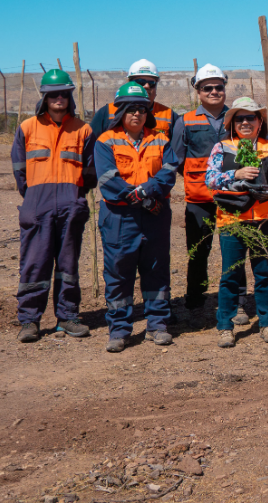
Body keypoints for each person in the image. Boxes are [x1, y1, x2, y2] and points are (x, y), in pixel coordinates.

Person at [10, 69, 97, 343]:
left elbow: (91, 173)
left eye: (64, 93)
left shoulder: (83, 129)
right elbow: (19, 170)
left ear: (70, 96)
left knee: (68, 264)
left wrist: (74, 195)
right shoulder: (27, 128)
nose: (59, 98)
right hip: (37, 205)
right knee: (35, 264)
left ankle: (68, 317)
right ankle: (29, 321)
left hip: (71, 205)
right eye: (53, 94)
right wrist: (35, 198)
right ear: (44, 98)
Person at [94, 83, 178, 352]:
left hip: (154, 214)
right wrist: (140, 195)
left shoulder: (161, 139)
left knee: (156, 270)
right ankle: (119, 329)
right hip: (120, 216)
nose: (136, 114)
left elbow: (168, 172)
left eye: (142, 109)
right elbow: (108, 179)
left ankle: (158, 325)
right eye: (130, 109)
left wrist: (146, 191)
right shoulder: (106, 141)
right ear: (120, 112)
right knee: (119, 273)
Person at [204, 97, 268, 348]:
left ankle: (267, 323)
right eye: (239, 118)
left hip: (263, 220)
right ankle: (225, 326)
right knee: (230, 274)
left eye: (250, 117)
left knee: (264, 274)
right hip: (232, 220)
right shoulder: (222, 147)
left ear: (259, 121)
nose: (245, 122)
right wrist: (236, 174)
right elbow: (210, 179)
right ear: (232, 123)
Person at [162, 63, 229, 329]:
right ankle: (195, 298)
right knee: (198, 251)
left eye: (218, 87)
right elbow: (176, 158)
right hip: (198, 199)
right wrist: (195, 180)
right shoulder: (186, 121)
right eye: (207, 88)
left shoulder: (236, 116)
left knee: (233, 251)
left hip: (232, 199)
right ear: (197, 91)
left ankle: (231, 297)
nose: (214, 92)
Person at [89, 59, 174, 138]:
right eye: (141, 82)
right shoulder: (106, 113)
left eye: (152, 83)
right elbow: (92, 146)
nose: (147, 86)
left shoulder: (169, 115)